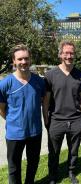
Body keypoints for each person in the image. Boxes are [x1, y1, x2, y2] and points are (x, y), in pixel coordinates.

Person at [43, 40, 81, 184]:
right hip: (56, 121)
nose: (69, 56)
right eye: (66, 53)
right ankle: (53, 175)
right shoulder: (50, 75)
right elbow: (45, 101)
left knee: (74, 151)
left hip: (75, 121)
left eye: (71, 53)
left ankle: (71, 172)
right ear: (60, 54)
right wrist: (46, 120)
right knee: (54, 152)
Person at [0, 44, 45, 184]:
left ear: (30, 59)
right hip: (14, 134)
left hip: (35, 132)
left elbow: (42, 102)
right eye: (20, 59)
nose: (23, 62)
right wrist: (14, 121)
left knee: (33, 164)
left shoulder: (39, 82)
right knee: (14, 168)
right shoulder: (5, 83)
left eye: (26, 58)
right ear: (14, 61)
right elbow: (1, 109)